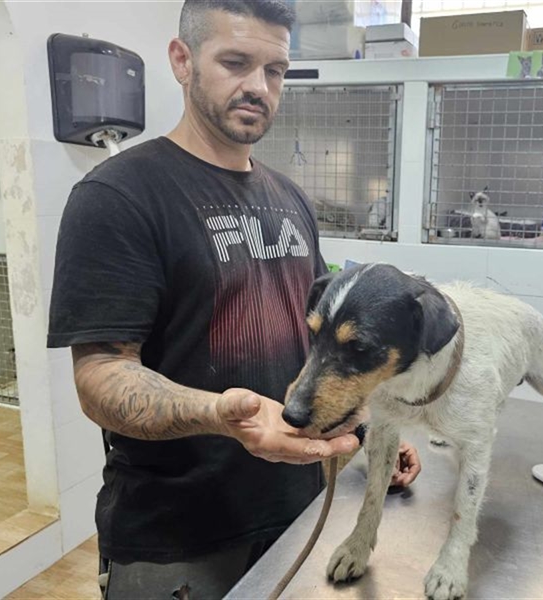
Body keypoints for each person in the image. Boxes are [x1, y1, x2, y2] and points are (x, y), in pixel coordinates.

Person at [47, 1, 421, 597]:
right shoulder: (119, 195)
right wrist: (222, 415)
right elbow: (100, 377)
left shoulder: (291, 198)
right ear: (182, 60)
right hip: (178, 540)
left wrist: (370, 427)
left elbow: (318, 347)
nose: (259, 87)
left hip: (297, 511)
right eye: (235, 62)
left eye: (275, 70)